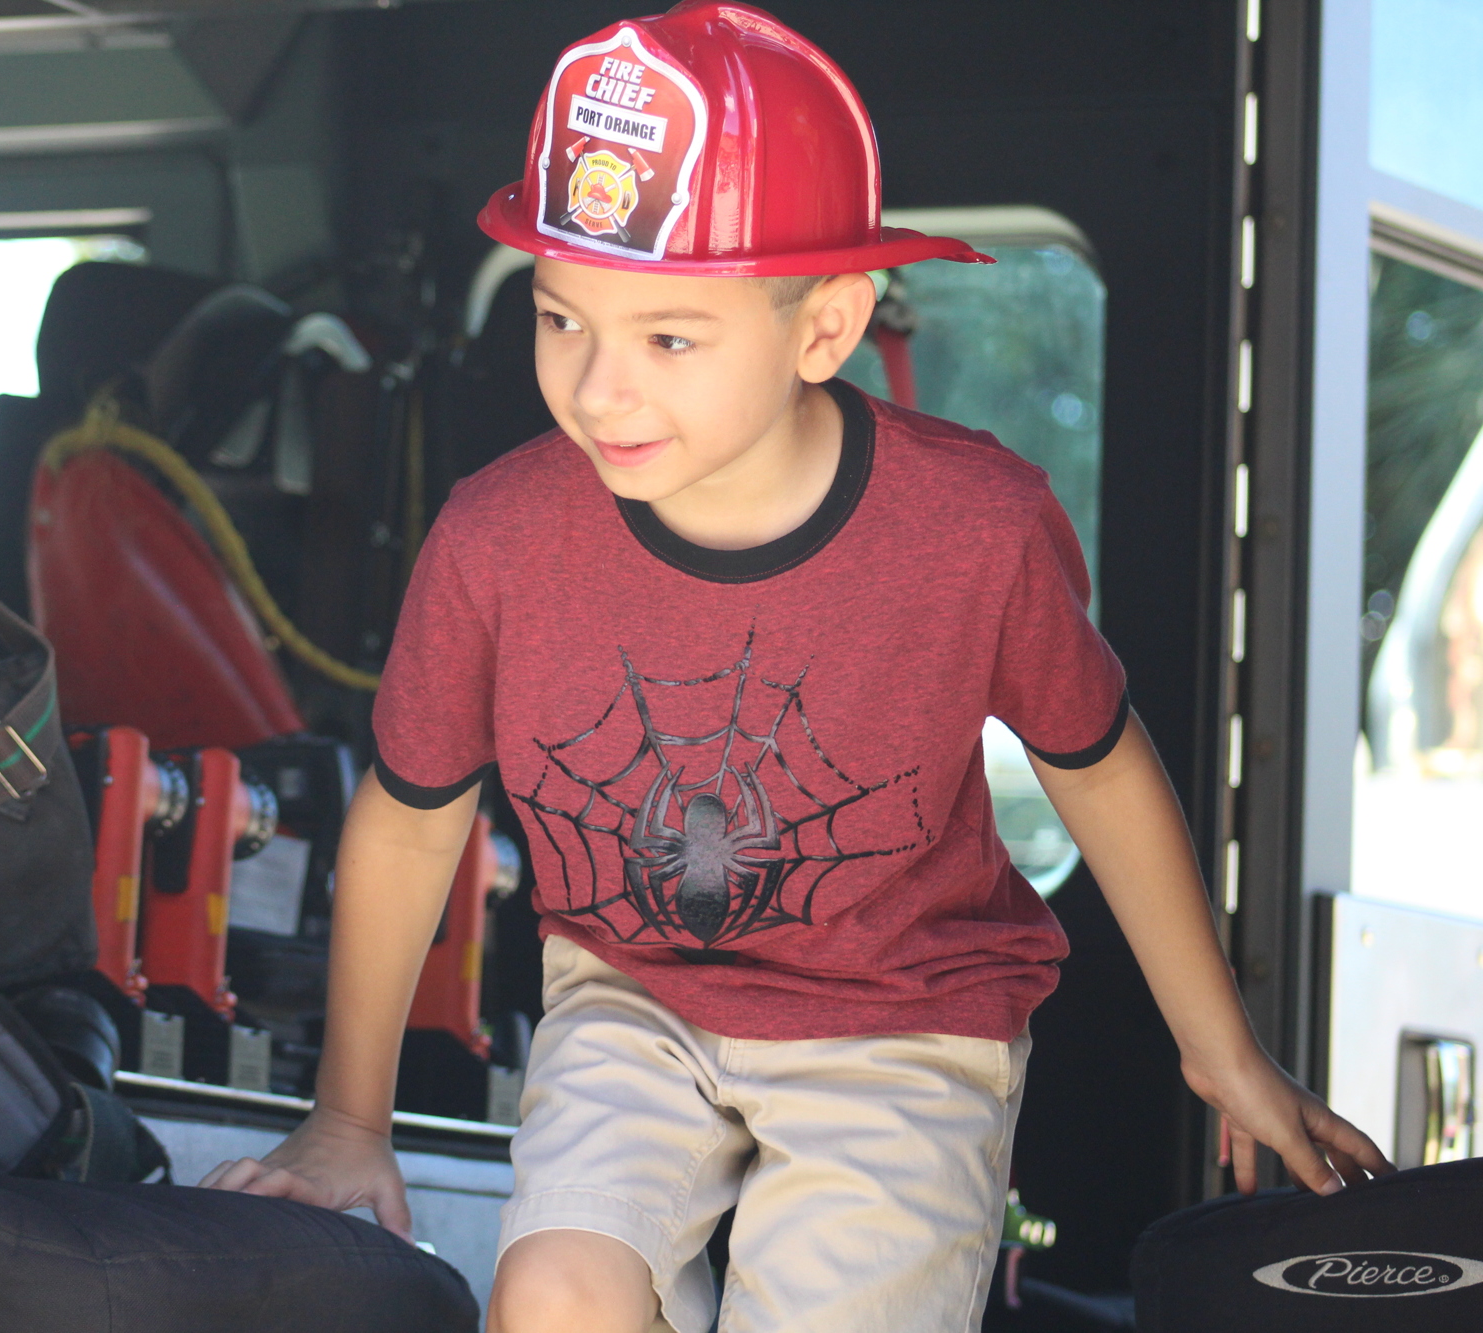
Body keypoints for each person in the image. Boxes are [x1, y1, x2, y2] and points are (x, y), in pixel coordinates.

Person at [204, 4, 1394, 1329]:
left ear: (825, 329)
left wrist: (1220, 1049)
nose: (599, 388)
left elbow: (1101, 772)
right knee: (551, 1295)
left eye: (669, 337)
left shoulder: (974, 531)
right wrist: (347, 1118)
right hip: (630, 993)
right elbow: (409, 821)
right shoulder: (496, 537)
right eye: (559, 320)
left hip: (905, 1018)